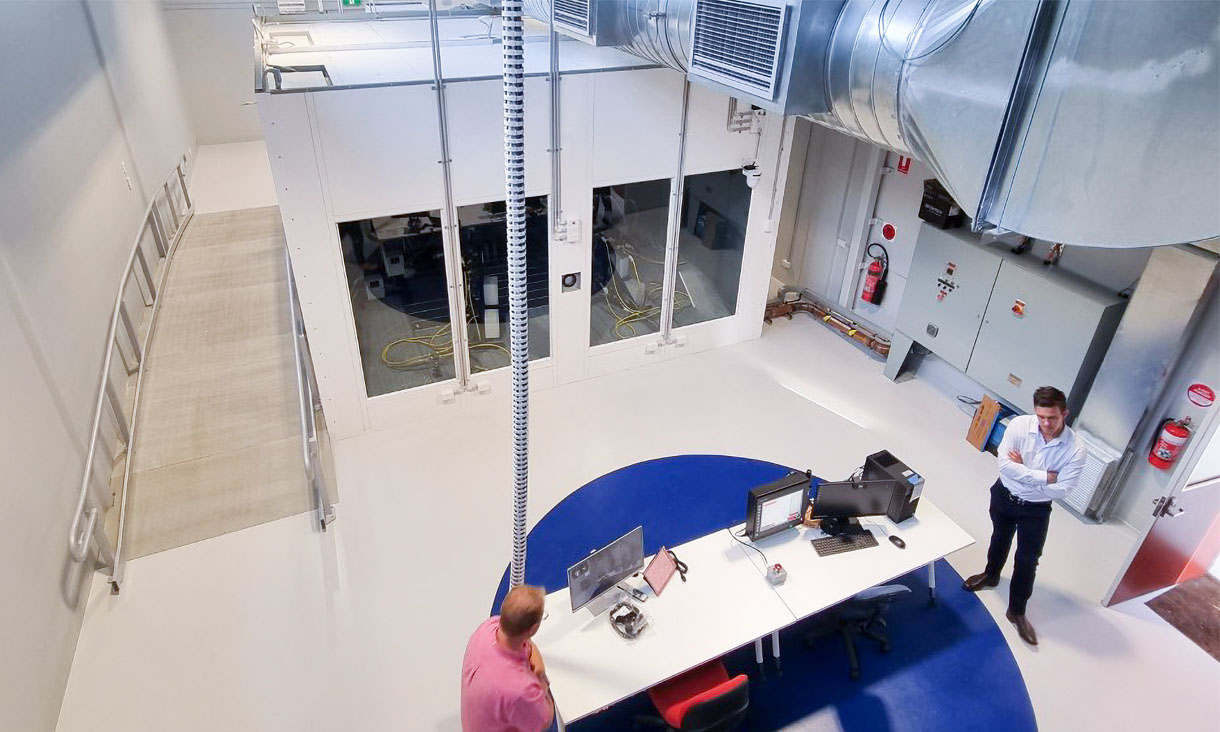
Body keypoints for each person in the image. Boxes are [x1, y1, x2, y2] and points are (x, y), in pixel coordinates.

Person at [962, 386, 1086, 646]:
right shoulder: (1019, 426)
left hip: (1036, 510)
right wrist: (1043, 475)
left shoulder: (1075, 450)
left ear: (1065, 413)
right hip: (1004, 495)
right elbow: (1004, 466)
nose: (1046, 423)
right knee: (999, 538)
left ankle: (1017, 610)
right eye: (1041, 416)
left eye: (1052, 418)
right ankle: (991, 575)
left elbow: (1063, 489)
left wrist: (1023, 469)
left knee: (1028, 559)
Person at [461, 585, 554, 732]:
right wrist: (543, 685)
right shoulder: (521, 690)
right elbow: (545, 720)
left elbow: (527, 644)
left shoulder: (487, 628)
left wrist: (538, 663)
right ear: (533, 628)